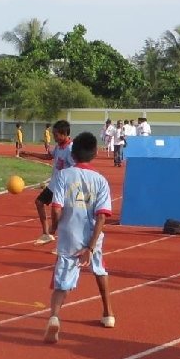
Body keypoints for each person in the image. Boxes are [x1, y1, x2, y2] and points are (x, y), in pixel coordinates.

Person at [43, 131, 114, 344]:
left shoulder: (63, 176)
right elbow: (102, 216)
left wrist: (54, 228)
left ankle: (54, 316)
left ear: (72, 154)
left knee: (62, 281)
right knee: (99, 270)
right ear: (94, 153)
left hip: (69, 235)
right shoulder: (101, 180)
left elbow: (55, 209)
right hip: (92, 235)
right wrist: (91, 247)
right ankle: (108, 312)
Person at [20, 120, 73, 245]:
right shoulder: (59, 146)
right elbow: (49, 156)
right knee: (39, 202)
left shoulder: (71, 149)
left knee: (62, 214)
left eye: (56, 134)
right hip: (54, 184)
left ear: (64, 133)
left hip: (65, 187)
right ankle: (46, 234)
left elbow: (76, 168)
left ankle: (65, 243)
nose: (54, 137)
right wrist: (29, 154)